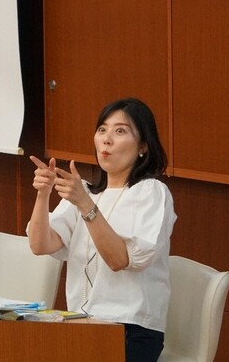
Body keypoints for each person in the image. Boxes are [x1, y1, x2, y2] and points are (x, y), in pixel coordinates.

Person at [27, 98, 175, 362]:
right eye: (102, 130)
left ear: (143, 146)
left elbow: (120, 260)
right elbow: (40, 245)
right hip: (79, 323)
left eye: (120, 131)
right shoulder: (84, 191)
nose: (107, 140)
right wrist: (43, 195)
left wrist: (85, 204)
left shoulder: (151, 193)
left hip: (129, 330)